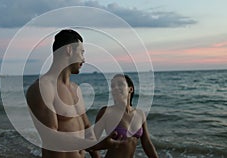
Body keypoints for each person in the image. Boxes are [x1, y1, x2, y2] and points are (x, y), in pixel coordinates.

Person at [26, 29, 104, 158]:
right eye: (81, 52)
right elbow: (51, 137)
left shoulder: (75, 88)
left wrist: (97, 155)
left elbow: (86, 127)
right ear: (69, 50)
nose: (84, 59)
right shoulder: (42, 88)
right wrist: (96, 145)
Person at [94, 74, 158, 158]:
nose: (115, 88)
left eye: (120, 84)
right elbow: (90, 144)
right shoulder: (106, 112)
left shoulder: (140, 114)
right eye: (113, 86)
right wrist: (106, 144)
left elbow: (147, 143)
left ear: (130, 89)